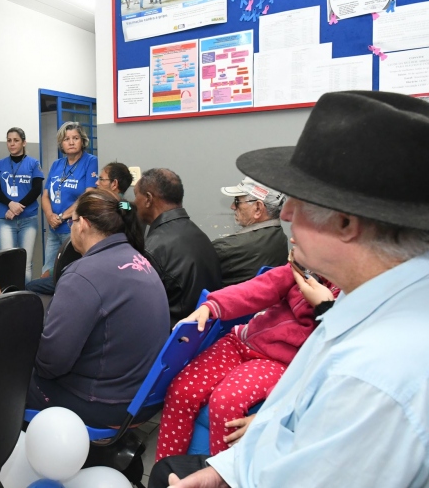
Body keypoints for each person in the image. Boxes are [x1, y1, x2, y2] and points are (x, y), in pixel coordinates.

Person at [150, 90, 429, 488]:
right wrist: (228, 471)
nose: (286, 214)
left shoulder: (375, 379)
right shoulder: (371, 294)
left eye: (298, 201)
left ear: (347, 224)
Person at [155, 264, 338, 460]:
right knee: (181, 390)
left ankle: (220, 477)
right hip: (242, 340)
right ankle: (164, 472)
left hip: (278, 361)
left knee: (226, 403)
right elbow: (260, 287)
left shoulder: (351, 297)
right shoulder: (305, 266)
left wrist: (327, 308)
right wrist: (212, 305)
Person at [28, 189, 170, 427]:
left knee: (4, 382)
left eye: (72, 222)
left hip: (105, 404)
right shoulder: (140, 260)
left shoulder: (83, 274)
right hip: (144, 398)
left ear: (82, 224)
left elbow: (51, 363)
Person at [26, 161, 130, 297]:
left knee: (30, 286)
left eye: (101, 179)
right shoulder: (128, 208)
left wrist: (53, 272)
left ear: (114, 184)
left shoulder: (101, 211)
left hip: (88, 274)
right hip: (111, 274)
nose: (97, 183)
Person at [134, 168, 222, 323]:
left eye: (136, 196)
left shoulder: (152, 250)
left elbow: (140, 312)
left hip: (171, 340)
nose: (134, 203)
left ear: (148, 199)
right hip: (199, 337)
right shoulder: (200, 236)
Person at [40, 122, 97, 277]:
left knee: (70, 274)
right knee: (47, 273)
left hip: (75, 228)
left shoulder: (91, 161)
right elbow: (45, 195)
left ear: (82, 141)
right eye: (66, 139)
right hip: (54, 229)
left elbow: (87, 196)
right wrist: (49, 215)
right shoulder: (57, 164)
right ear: (61, 143)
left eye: (75, 138)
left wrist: (61, 216)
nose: (71, 142)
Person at [212, 177, 289, 286]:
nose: (232, 206)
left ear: (258, 208)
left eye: (237, 201)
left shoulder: (226, 248)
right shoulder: (281, 238)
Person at [0, 127, 44, 283]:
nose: (12, 144)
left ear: (24, 142)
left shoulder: (33, 163)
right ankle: (10, 298)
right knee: (7, 261)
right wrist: (10, 204)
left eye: (16, 140)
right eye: (9, 140)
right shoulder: (0, 164)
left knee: (25, 263)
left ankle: (25, 298)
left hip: (28, 219)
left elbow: (36, 189)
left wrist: (17, 207)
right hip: (5, 220)